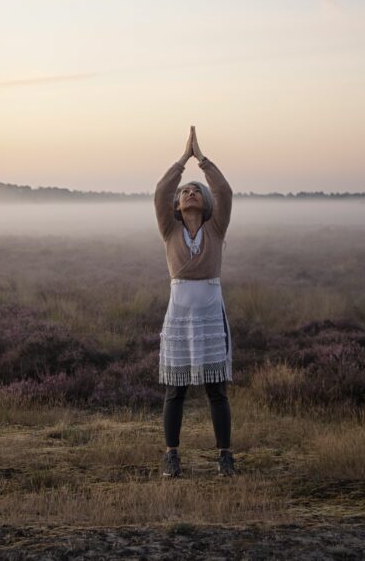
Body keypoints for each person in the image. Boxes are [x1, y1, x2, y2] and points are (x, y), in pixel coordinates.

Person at [154, 126, 235, 478]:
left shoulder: (216, 229)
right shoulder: (169, 230)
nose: (189, 193)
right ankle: (172, 456)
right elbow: (160, 193)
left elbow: (225, 191)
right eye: (185, 192)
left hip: (209, 314)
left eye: (195, 192)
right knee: (176, 390)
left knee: (216, 390)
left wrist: (202, 159)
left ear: (205, 204)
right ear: (178, 204)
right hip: (179, 316)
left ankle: (225, 457)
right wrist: (181, 161)